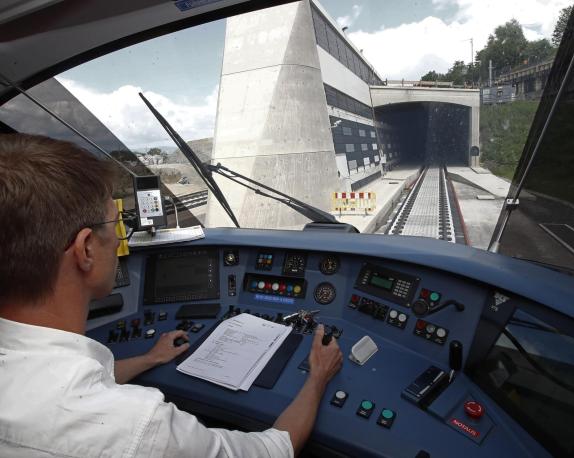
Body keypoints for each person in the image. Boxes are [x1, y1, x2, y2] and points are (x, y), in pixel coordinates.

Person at [0, 133, 343, 457]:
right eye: (115, 224)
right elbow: (272, 451)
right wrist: (317, 377)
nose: (122, 240)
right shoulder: (137, 428)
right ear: (86, 248)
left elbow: (59, 379)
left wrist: (149, 359)